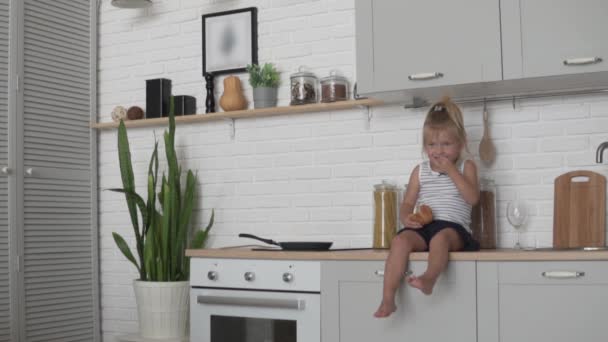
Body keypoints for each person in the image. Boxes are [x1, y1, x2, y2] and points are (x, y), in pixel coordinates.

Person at [374, 97, 480, 318]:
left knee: (439, 239)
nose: (438, 151)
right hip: (425, 226)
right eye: (432, 145)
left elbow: (472, 198)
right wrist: (406, 218)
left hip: (453, 229)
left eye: (446, 144)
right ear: (425, 146)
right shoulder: (420, 170)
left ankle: (429, 279)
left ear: (461, 143)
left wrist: (452, 171)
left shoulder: (465, 166)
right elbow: (408, 203)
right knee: (400, 240)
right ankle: (388, 298)